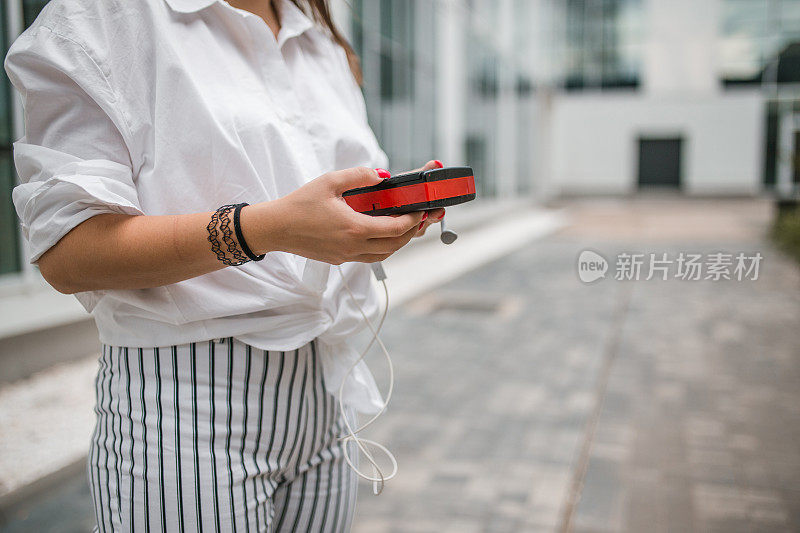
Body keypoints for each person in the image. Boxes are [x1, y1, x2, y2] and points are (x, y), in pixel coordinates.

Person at [5, 0, 446, 530]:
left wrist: (375, 216)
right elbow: (69, 253)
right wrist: (273, 227)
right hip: (189, 404)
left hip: (326, 389)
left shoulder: (320, 38)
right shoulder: (103, 18)